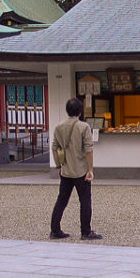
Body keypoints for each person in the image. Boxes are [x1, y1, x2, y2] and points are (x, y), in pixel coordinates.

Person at [50, 97, 102, 240]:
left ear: (67, 110)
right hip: (81, 170)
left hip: (66, 170)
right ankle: (85, 231)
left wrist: (59, 165)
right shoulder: (83, 127)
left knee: (62, 200)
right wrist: (90, 169)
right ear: (79, 111)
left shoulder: (59, 127)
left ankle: (55, 230)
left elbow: (55, 148)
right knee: (85, 200)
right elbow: (88, 150)